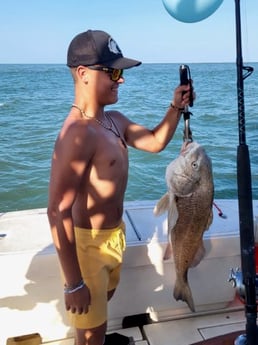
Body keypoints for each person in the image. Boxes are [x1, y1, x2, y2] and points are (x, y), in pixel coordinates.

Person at [47, 29, 193, 345]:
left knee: (104, 303)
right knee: (90, 332)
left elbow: (155, 142)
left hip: (115, 235)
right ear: (83, 73)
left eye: (121, 72)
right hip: (87, 248)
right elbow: (57, 212)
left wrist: (175, 107)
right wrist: (73, 283)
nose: (121, 79)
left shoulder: (114, 121)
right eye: (113, 71)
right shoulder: (77, 134)